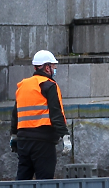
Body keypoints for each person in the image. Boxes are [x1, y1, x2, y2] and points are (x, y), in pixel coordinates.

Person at [10, 50, 71, 180]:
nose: (55, 70)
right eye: (53, 66)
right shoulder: (49, 85)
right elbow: (56, 114)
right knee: (45, 182)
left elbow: (16, 114)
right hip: (43, 142)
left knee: (22, 180)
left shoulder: (23, 86)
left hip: (23, 142)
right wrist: (65, 136)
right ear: (46, 67)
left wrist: (14, 136)